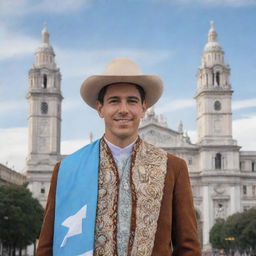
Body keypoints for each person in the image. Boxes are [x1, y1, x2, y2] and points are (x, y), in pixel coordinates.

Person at [36, 58, 201, 256]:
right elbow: (47, 246)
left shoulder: (173, 167)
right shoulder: (67, 169)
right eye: (114, 101)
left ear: (143, 108)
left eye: (132, 101)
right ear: (100, 109)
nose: (124, 109)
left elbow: (188, 247)